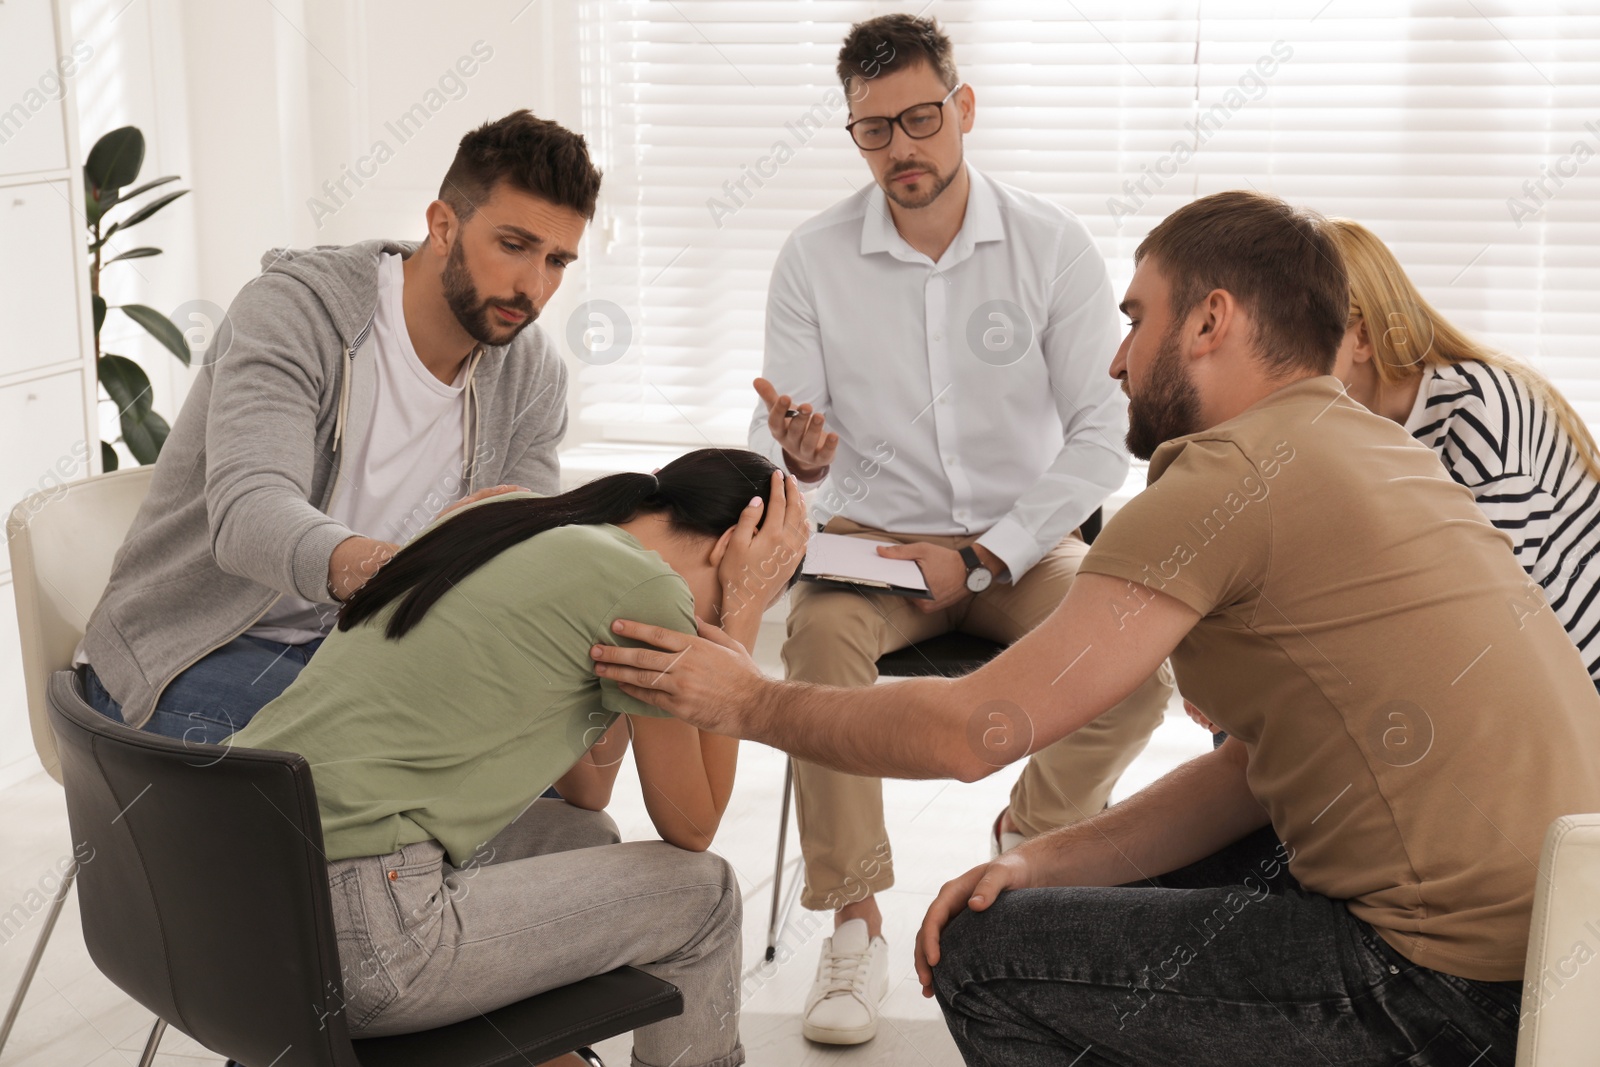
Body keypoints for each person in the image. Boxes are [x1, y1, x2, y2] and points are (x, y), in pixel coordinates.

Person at [591, 190, 1600, 1066]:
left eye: (1135, 317)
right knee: (1041, 895)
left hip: (1436, 990)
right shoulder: (1373, 448)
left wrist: (750, 697)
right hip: (1557, 950)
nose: (1116, 359)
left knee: (983, 954)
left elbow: (970, 732)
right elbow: (1259, 767)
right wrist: (1045, 857)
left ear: (1210, 320)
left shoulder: (1228, 473)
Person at [749, 14, 1171, 1042]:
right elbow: (778, 441)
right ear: (853, 134)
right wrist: (798, 460)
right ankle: (852, 921)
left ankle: (1025, 845)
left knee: (1140, 667)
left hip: (1017, 539)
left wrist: (983, 554)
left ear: (963, 109)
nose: (901, 147)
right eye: (872, 129)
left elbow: (1099, 431)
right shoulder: (811, 257)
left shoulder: (1050, 244)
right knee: (813, 642)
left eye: (920, 118)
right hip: (871, 544)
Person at [229, 450, 809, 1067]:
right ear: (727, 550)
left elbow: (588, 790)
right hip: (360, 941)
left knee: (583, 833)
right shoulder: (649, 590)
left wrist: (614, 683)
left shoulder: (510, 516)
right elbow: (693, 827)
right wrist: (741, 622)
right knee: (708, 894)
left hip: (239, 904)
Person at [79, 109, 594, 744]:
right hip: (187, 651)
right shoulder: (294, 312)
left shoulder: (532, 374)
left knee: (525, 757)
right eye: (513, 246)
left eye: (557, 261)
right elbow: (250, 514)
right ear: (442, 226)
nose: (533, 286)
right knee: (409, 753)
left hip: (352, 656)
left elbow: (519, 551)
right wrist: (401, 573)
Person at [1328, 217, 1600, 687]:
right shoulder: (1349, 426)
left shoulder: (1480, 412)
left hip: (1573, 693)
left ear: (1364, 339)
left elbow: (1477, 620)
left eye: (1294, 336)